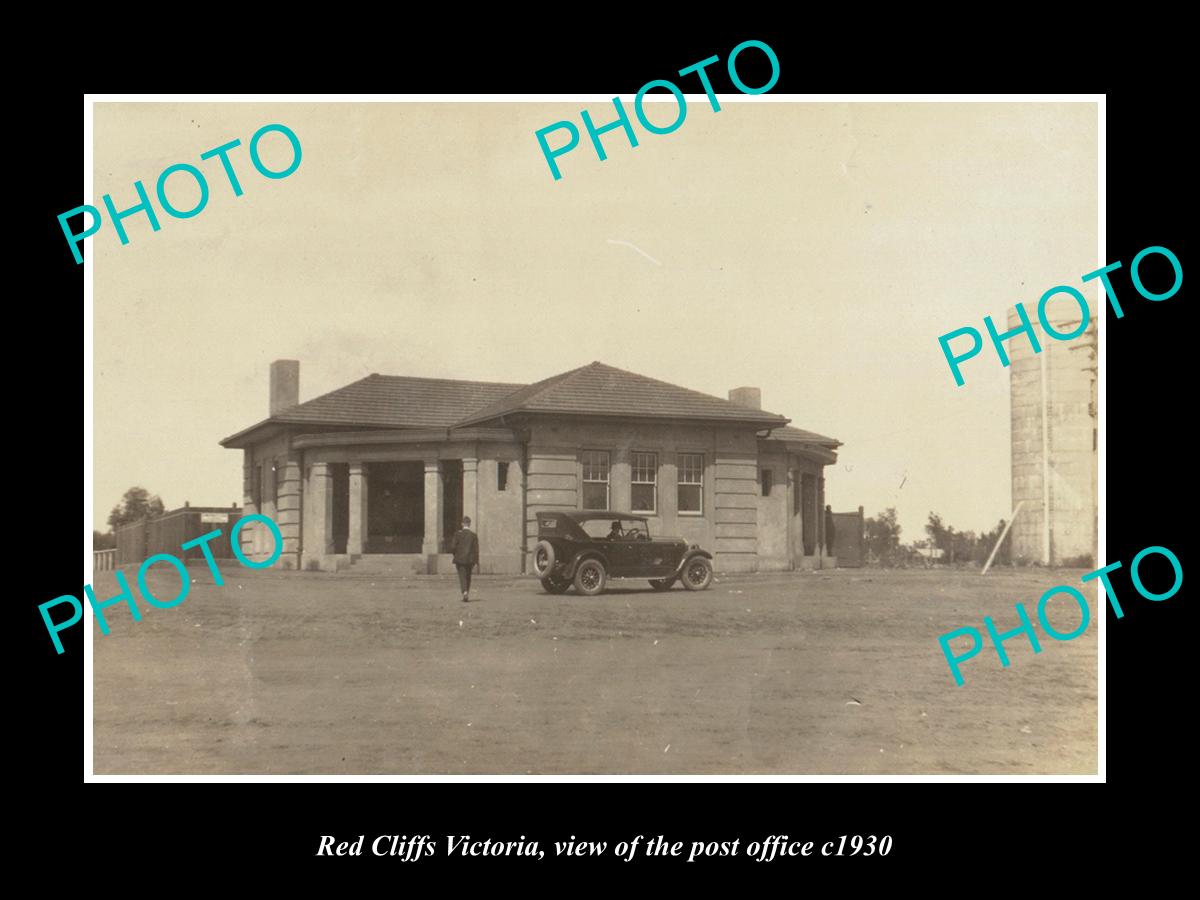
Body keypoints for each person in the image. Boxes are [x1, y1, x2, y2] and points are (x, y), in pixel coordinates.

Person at [450, 516, 479, 602]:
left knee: (462, 576)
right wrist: (476, 560)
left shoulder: (457, 534)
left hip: (460, 559)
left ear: (462, 524)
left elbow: (453, 547)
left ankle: (465, 592)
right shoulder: (473, 535)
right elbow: (476, 549)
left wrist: (455, 555)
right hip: (470, 560)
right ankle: (467, 592)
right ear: (469, 524)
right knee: (468, 576)